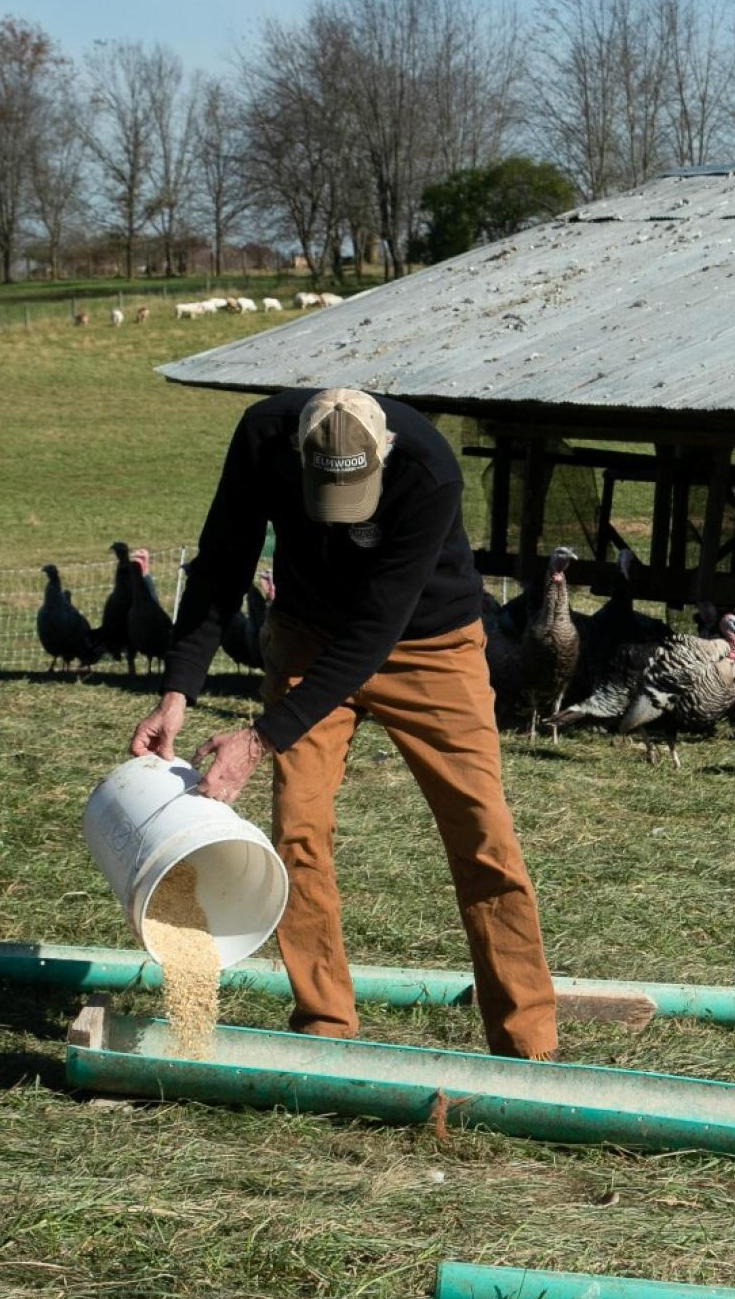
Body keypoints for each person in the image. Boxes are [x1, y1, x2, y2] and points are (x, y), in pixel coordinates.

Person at [130, 386, 558, 1059]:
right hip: (306, 635)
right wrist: (177, 691)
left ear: (383, 457)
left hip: (428, 644)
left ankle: (528, 1044)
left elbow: (372, 636)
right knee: (297, 831)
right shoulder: (261, 438)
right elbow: (221, 566)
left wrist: (258, 737)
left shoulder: (429, 471)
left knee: (483, 832)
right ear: (297, 455)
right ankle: (326, 1030)